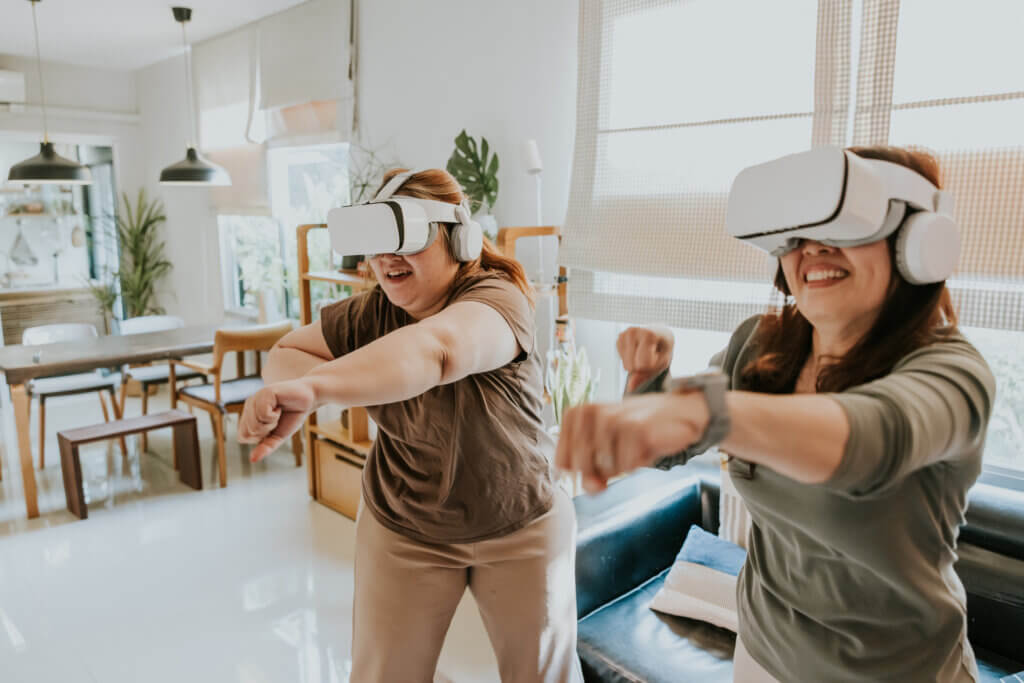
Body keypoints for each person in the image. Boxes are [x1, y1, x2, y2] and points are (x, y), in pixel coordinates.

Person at [554, 146, 996, 681]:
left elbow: (875, 438)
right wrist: (649, 381)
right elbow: (671, 447)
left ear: (920, 242)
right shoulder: (760, 346)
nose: (813, 246)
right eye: (800, 228)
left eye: (850, 223)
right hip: (763, 654)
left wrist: (699, 413)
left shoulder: (953, 372)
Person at [238, 168, 583, 682]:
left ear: (458, 237)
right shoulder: (369, 314)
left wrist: (315, 388)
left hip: (520, 519)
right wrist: (291, 390)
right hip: (403, 523)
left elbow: (437, 350)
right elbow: (286, 352)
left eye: (405, 238)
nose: (386, 258)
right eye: (374, 242)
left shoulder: (499, 298)